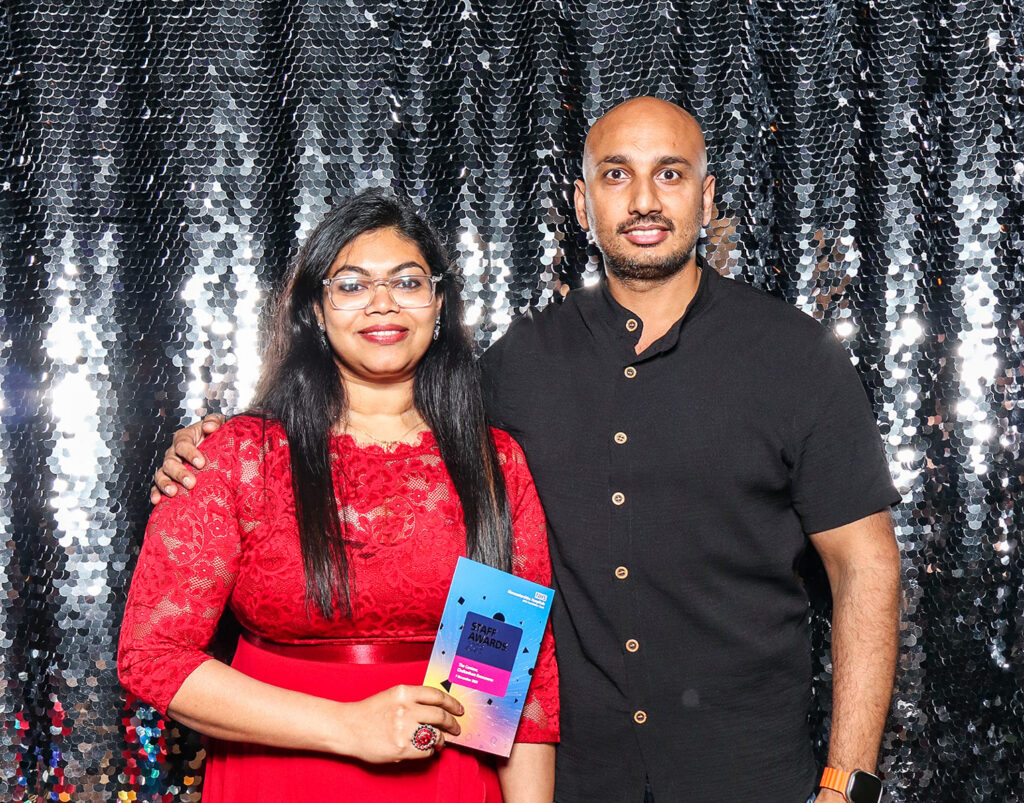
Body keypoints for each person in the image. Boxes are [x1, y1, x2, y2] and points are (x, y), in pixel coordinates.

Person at [155, 98, 901, 803]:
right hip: (573, 776)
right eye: (617, 175)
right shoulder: (514, 368)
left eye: (670, 174)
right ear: (582, 204)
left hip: (746, 772)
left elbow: (865, 566)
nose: (644, 200)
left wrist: (848, 783)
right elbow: (395, 447)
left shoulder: (796, 358)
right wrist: (220, 448)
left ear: (706, 200)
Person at [119, 190, 558, 803]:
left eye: (408, 282)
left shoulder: (491, 463)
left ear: (438, 303)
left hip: (447, 775)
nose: (383, 302)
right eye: (351, 285)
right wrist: (347, 726)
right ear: (316, 311)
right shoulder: (239, 457)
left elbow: (514, 687)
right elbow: (152, 654)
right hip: (277, 777)